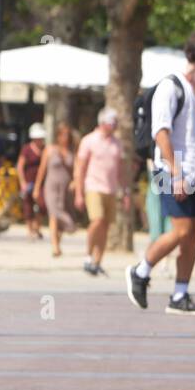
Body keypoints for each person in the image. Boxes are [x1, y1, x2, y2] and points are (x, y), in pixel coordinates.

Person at [125, 31, 195, 314]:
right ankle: (140, 272)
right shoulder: (170, 87)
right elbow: (161, 133)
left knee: (192, 234)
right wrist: (176, 173)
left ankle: (180, 294)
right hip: (171, 170)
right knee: (180, 231)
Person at [73, 108, 129, 277]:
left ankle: (97, 261)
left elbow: (120, 170)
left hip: (110, 189)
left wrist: (125, 191)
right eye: (112, 123)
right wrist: (78, 192)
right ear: (103, 123)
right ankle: (88, 256)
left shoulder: (117, 143)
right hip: (93, 187)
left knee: (105, 226)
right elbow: (80, 168)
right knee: (96, 221)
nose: (114, 126)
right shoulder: (89, 140)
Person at [32, 123, 76, 258]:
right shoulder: (50, 149)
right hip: (51, 187)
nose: (65, 138)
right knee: (54, 213)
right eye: (63, 135)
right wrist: (37, 188)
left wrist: (75, 183)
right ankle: (55, 246)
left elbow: (76, 171)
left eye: (67, 135)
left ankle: (58, 242)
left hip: (66, 188)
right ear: (58, 136)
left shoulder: (71, 151)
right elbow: (42, 170)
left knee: (62, 215)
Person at [16, 124, 45, 240]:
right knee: (28, 206)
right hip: (28, 181)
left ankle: (37, 226)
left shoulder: (45, 149)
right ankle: (30, 229)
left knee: (42, 205)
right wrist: (23, 182)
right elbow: (20, 166)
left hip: (42, 182)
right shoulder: (26, 149)